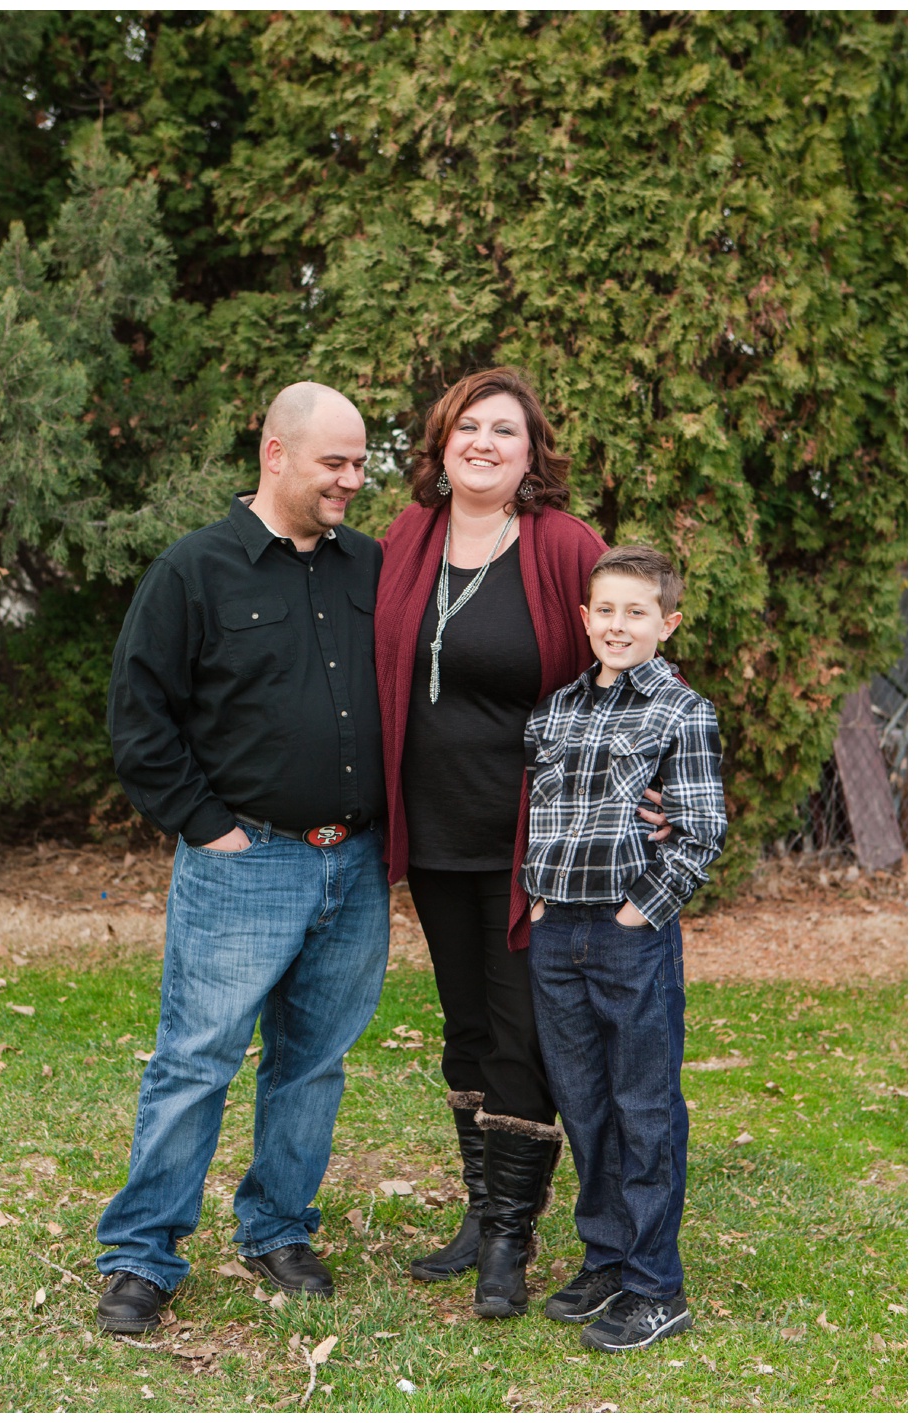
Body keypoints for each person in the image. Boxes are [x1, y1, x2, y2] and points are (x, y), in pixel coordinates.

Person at [95, 382, 391, 1332]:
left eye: (359, 463)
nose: (353, 480)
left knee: (312, 1062)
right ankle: (143, 1255)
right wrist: (204, 822)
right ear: (275, 454)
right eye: (334, 464)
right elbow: (139, 713)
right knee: (197, 1057)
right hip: (245, 857)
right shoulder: (195, 569)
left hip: (356, 860)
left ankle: (277, 1228)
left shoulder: (372, 567)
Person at [375, 366, 625, 1317]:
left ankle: (511, 1243)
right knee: (466, 1026)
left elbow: (626, 654)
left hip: (534, 839)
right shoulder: (409, 537)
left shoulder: (564, 547)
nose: (483, 442)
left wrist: (646, 788)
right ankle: (481, 1214)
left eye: (504, 431)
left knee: (521, 1034)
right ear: (442, 443)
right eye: (467, 426)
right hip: (433, 833)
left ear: (531, 455)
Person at [524, 546, 725, 1350]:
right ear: (584, 618)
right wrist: (537, 898)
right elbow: (541, 809)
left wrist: (642, 911)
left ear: (666, 622)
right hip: (556, 933)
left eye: (636, 611)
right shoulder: (554, 709)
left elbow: (701, 828)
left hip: (626, 934)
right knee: (585, 1104)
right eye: (605, 609)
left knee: (644, 1107)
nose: (618, 624)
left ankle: (655, 1283)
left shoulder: (683, 712)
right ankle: (606, 1255)